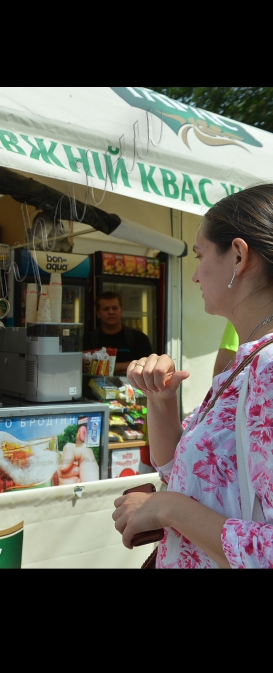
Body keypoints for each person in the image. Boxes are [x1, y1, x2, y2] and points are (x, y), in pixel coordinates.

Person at [113, 184, 273, 568]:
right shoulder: (249, 361)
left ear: (237, 256)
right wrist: (160, 399)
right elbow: (183, 470)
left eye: (201, 256)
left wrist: (165, 507)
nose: (196, 276)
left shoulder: (268, 369)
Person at [85, 291, 153, 375]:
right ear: (98, 314)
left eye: (115, 308)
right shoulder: (87, 339)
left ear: (121, 311)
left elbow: (147, 365)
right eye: (106, 309)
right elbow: (83, 367)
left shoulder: (139, 338)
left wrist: (106, 367)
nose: (111, 312)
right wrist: (128, 365)